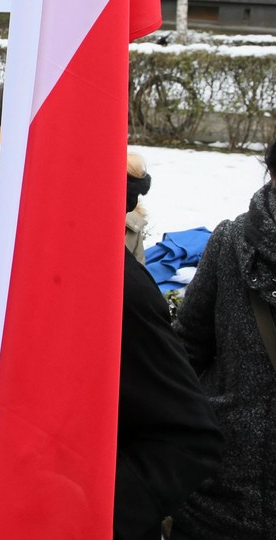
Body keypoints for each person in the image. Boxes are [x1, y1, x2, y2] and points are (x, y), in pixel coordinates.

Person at [0, 131, 223, 540]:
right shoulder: (8, 243)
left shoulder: (115, 284)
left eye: (8, 163)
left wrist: (75, 511)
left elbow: (189, 440)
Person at [170, 139, 276, 539]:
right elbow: (186, 352)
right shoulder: (231, 243)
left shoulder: (229, 240)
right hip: (217, 495)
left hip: (215, 486)